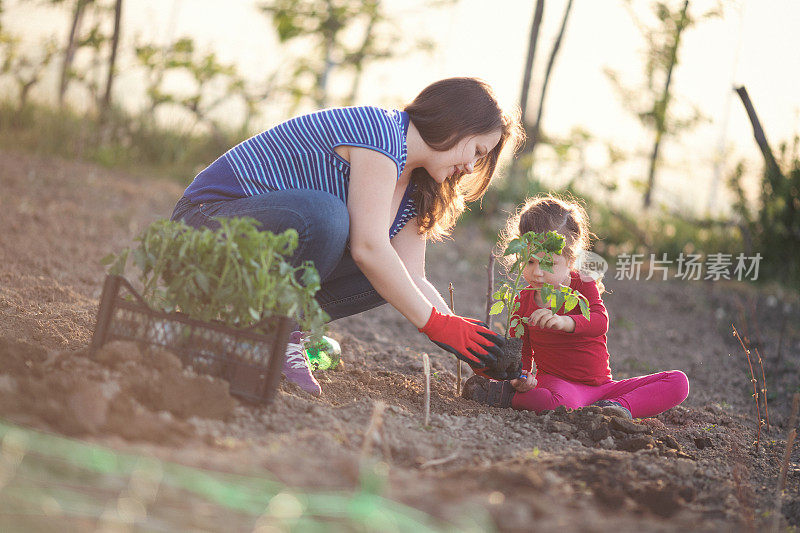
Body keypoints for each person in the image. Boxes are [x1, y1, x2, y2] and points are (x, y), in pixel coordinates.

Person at [170, 77, 525, 396]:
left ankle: (254, 329)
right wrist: (436, 325)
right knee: (328, 217)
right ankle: (276, 335)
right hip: (204, 228)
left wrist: (469, 343)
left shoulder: (418, 187)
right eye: (477, 151)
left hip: (251, 262)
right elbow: (368, 247)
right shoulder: (382, 134)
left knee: (389, 279)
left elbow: (412, 277)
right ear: (456, 123)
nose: (469, 168)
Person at [462, 195, 689, 419]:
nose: (538, 272)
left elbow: (600, 321)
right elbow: (521, 351)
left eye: (549, 263)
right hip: (558, 385)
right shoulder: (522, 300)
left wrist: (566, 322)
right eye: (530, 262)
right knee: (556, 402)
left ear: (571, 260)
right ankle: (503, 395)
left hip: (603, 388)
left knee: (678, 382)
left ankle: (616, 408)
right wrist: (521, 378)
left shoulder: (583, 284)